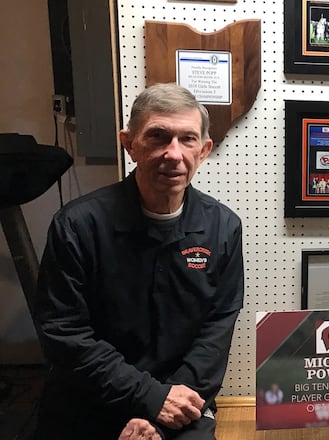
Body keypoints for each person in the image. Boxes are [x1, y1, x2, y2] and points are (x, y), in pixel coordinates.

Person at [32, 83, 245, 440]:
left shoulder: (223, 228)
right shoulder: (78, 225)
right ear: (129, 143)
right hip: (92, 396)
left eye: (187, 139)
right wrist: (148, 397)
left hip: (182, 397)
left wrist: (163, 412)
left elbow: (216, 332)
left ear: (205, 150)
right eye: (158, 137)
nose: (174, 154)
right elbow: (63, 332)